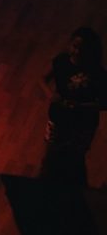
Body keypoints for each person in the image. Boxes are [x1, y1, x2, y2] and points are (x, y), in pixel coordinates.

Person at [39, 27, 107, 186]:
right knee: (50, 157)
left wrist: (81, 106)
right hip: (59, 118)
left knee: (76, 161)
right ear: (69, 45)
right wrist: (50, 94)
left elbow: (104, 103)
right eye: (75, 46)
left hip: (82, 125)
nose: (77, 51)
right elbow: (42, 79)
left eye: (82, 49)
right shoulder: (61, 61)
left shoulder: (97, 73)